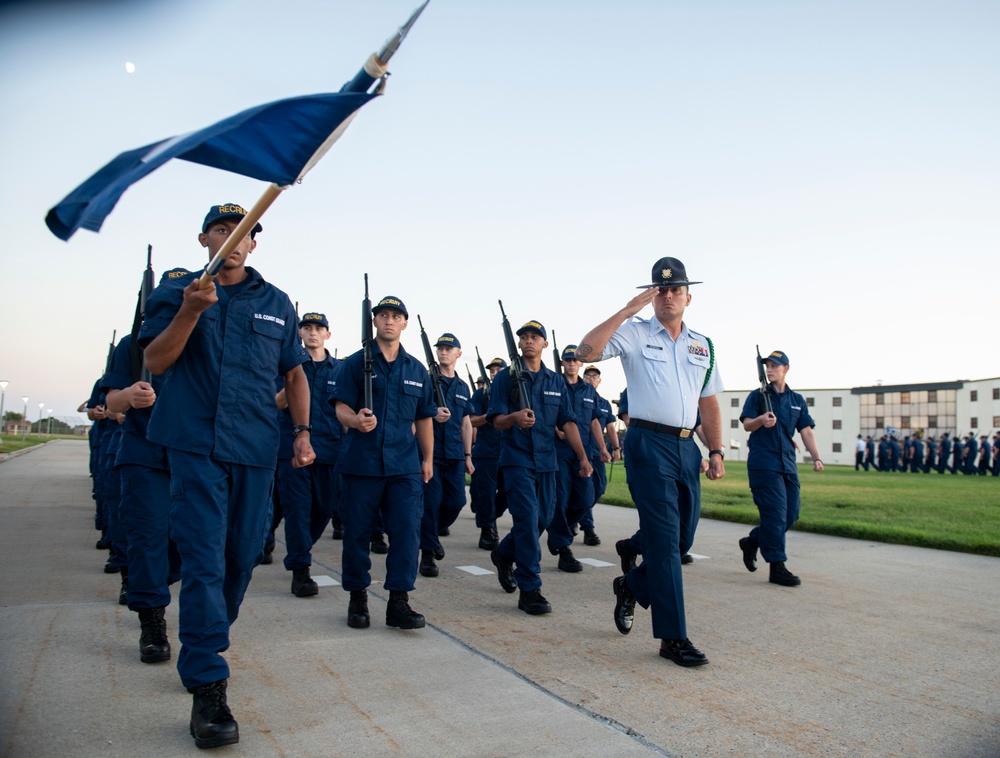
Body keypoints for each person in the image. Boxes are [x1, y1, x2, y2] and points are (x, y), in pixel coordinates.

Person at [140, 203, 314, 750]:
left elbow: (294, 372)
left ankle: (204, 634)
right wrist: (191, 311)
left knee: (241, 557)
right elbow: (157, 359)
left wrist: (303, 432)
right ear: (205, 238)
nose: (234, 240)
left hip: (256, 446)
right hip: (194, 444)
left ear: (253, 244)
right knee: (205, 558)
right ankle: (208, 685)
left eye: (244, 233)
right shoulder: (180, 293)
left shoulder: (277, 303)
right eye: (223, 230)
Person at [577, 256, 724, 667]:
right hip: (647, 443)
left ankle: (630, 585)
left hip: (685, 447)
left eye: (675, 289)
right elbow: (585, 349)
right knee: (663, 545)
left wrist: (714, 450)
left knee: (681, 541)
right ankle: (673, 638)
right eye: (660, 290)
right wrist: (628, 310)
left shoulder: (703, 345)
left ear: (688, 297)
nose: (668, 296)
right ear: (652, 295)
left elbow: (708, 401)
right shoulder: (636, 333)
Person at [331, 295, 436, 631]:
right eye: (383, 315)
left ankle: (398, 602)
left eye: (396, 316)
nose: (389, 321)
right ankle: (358, 597)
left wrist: (429, 458)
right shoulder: (354, 362)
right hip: (361, 463)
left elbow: (424, 418)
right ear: (374, 321)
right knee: (358, 534)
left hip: (404, 465)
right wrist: (354, 419)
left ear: (404, 323)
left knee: (407, 531)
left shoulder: (417, 369)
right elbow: (339, 407)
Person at [487, 319, 592, 616]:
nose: (529, 341)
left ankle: (503, 553)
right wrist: (515, 417)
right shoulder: (506, 378)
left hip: (547, 461)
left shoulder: (555, 381)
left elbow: (568, 422)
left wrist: (583, 457)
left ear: (545, 344)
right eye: (524, 337)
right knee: (527, 520)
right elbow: (496, 420)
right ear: (519, 343)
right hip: (517, 459)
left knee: (542, 519)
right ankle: (530, 588)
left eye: (535, 337)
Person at [103, 329, 182, 664]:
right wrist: (130, 396)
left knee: (182, 542)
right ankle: (151, 618)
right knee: (148, 535)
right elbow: (111, 401)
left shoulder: (205, 334)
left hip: (192, 452)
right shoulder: (131, 344)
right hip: (145, 452)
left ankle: (147, 582)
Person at [737, 350, 824, 588]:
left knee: (790, 514)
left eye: (775, 365)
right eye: (768, 365)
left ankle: (753, 541)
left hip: (787, 463)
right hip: (764, 464)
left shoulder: (796, 400)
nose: (770, 369)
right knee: (775, 515)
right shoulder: (757, 396)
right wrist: (761, 421)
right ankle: (777, 566)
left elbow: (805, 430)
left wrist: (816, 457)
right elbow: (746, 425)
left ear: (786, 369)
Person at [274, 312, 343, 597]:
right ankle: (301, 569)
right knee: (297, 510)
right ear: (299, 333)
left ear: (328, 334)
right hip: (291, 449)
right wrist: (291, 383)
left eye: (318, 328)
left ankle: (299, 549)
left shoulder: (340, 369)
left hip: (328, 450)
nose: (312, 332)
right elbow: (273, 404)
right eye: (307, 328)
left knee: (323, 510)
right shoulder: (286, 366)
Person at [545, 345, 609, 572]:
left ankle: (561, 530)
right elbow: (546, 412)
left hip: (584, 453)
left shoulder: (588, 390)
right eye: (567, 360)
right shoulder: (552, 383)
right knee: (560, 500)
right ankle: (563, 549)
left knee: (586, 498)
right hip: (559, 452)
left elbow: (594, 422)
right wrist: (555, 428)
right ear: (562, 363)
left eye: (575, 360)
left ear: (580, 363)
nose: (572, 363)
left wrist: (602, 448)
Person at [418, 332, 474, 578]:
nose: (443, 352)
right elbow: (416, 412)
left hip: (454, 454)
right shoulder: (427, 380)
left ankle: (431, 533)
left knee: (456, 502)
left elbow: (466, 423)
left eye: (449, 348)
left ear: (458, 353)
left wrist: (468, 454)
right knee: (430, 503)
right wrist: (432, 413)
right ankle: (428, 554)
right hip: (430, 452)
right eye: (440, 348)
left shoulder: (463, 387)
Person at [468, 357, 507, 550]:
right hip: (486, 452)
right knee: (486, 494)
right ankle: (487, 530)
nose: (494, 373)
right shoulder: (481, 395)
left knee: (508, 491)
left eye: (499, 370)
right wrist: (488, 416)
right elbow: (471, 421)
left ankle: (491, 516)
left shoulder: (512, 393)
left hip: (508, 452)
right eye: (492, 371)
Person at [581, 364, 621, 544]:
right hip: (579, 451)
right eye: (588, 376)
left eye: (594, 377)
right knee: (586, 489)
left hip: (597, 453)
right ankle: (588, 528)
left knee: (600, 487)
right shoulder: (577, 397)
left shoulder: (604, 404)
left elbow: (611, 428)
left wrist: (616, 448)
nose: (591, 379)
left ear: (599, 381)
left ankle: (575, 515)